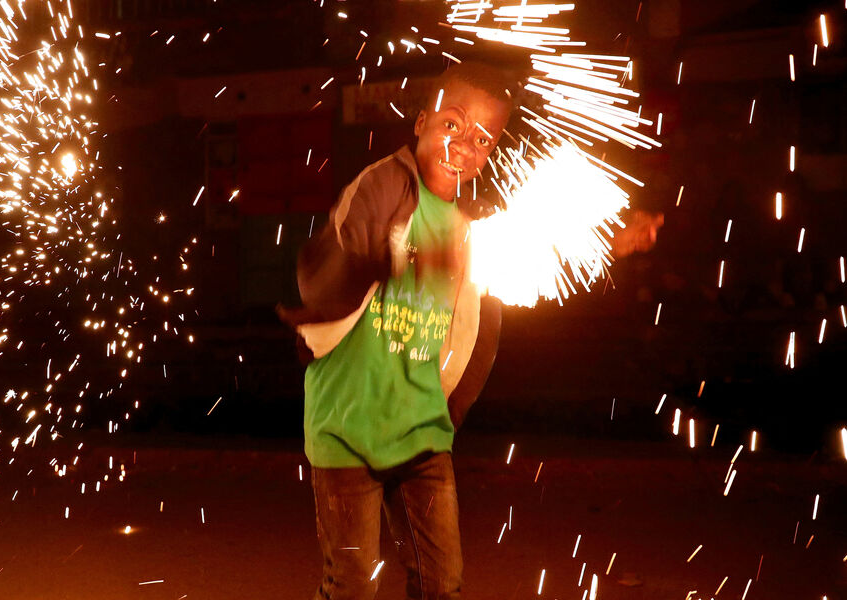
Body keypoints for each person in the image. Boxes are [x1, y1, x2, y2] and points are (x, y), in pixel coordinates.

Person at [278, 62, 662, 600]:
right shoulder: (383, 184)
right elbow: (330, 268)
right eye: (452, 125)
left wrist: (609, 243)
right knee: (350, 588)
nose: (463, 145)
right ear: (421, 123)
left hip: (421, 432)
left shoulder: (474, 223)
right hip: (348, 427)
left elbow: (519, 274)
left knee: (443, 584)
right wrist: (387, 259)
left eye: (481, 138)